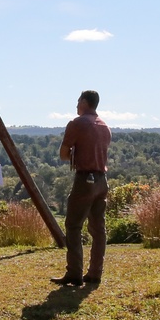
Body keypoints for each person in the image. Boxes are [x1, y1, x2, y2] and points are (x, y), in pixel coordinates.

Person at [52, 90, 112, 287]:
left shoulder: (76, 124)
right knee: (98, 228)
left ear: (85, 102)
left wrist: (72, 155)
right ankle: (95, 273)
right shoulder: (105, 126)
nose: (76, 105)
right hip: (102, 180)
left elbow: (63, 153)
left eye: (78, 101)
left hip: (84, 178)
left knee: (73, 226)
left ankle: (74, 272)